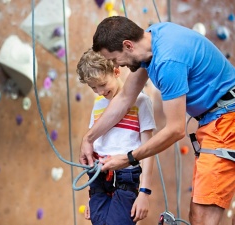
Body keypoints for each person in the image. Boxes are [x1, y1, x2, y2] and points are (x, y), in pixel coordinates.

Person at [79, 16, 235, 225]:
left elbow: (175, 130)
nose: (119, 65)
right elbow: (125, 98)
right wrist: (88, 139)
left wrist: (128, 158)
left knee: (203, 217)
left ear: (128, 45)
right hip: (215, 120)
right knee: (199, 214)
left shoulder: (168, 62)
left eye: (116, 59)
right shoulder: (154, 38)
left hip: (226, 122)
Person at [77, 49, 156, 225]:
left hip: (126, 175)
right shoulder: (98, 104)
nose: (99, 92)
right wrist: (91, 195)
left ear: (116, 71)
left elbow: (148, 151)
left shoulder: (141, 101)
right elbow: (96, 148)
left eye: (102, 84)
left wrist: (144, 192)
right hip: (98, 178)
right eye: (93, 87)